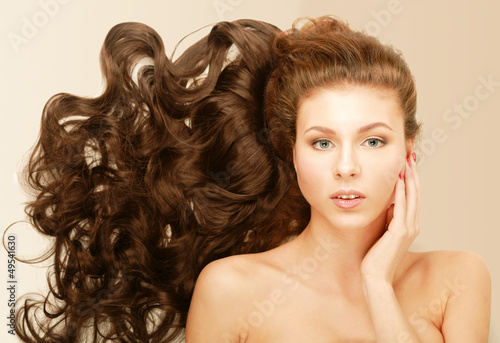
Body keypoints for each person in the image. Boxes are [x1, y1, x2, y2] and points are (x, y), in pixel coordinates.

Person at [15, 15, 490, 343]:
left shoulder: (458, 279)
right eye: (322, 142)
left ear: (409, 151)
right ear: (293, 153)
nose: (347, 166)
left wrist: (378, 284)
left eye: (373, 141)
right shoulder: (231, 288)